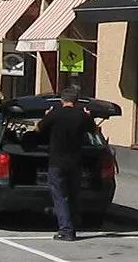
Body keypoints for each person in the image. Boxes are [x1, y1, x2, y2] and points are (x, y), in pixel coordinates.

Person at [35, 88, 95, 241]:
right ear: (75, 101)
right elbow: (94, 130)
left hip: (57, 162)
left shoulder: (55, 114)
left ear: (62, 100)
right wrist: (89, 117)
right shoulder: (82, 115)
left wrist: (46, 116)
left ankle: (66, 230)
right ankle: (74, 223)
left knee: (60, 197)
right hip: (75, 162)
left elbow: (38, 129)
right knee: (73, 194)